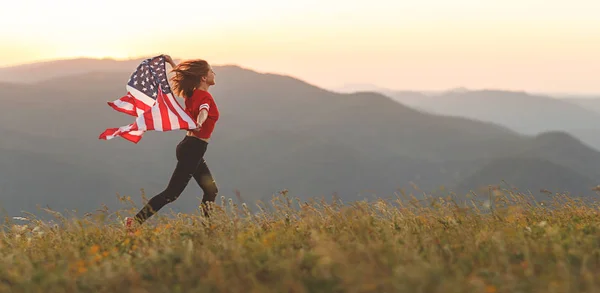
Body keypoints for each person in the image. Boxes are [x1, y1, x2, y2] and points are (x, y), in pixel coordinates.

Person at [125, 55, 219, 231]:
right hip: (193, 149)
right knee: (172, 193)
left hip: (191, 148)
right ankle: (135, 222)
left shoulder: (192, 94)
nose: (214, 72)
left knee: (211, 190)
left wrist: (171, 63)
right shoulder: (204, 98)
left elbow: (187, 79)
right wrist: (199, 121)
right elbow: (204, 111)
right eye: (211, 70)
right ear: (204, 78)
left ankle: (208, 228)